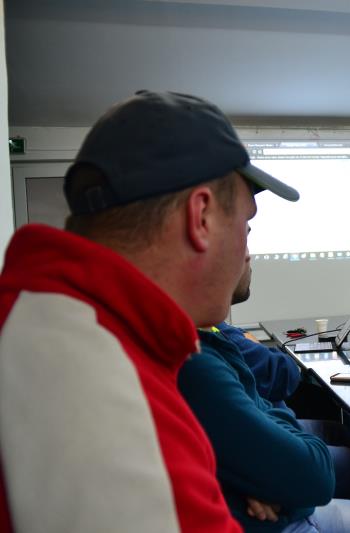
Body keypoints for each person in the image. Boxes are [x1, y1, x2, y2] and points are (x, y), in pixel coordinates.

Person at [0, 90, 300, 532]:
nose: (245, 249)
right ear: (201, 217)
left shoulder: (52, 316)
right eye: (246, 223)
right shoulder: (104, 386)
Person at [178, 255, 350, 532]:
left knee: (342, 442)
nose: (247, 255)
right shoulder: (200, 358)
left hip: (282, 482)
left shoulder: (208, 339)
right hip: (281, 516)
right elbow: (313, 476)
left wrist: (274, 483)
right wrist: (279, 489)